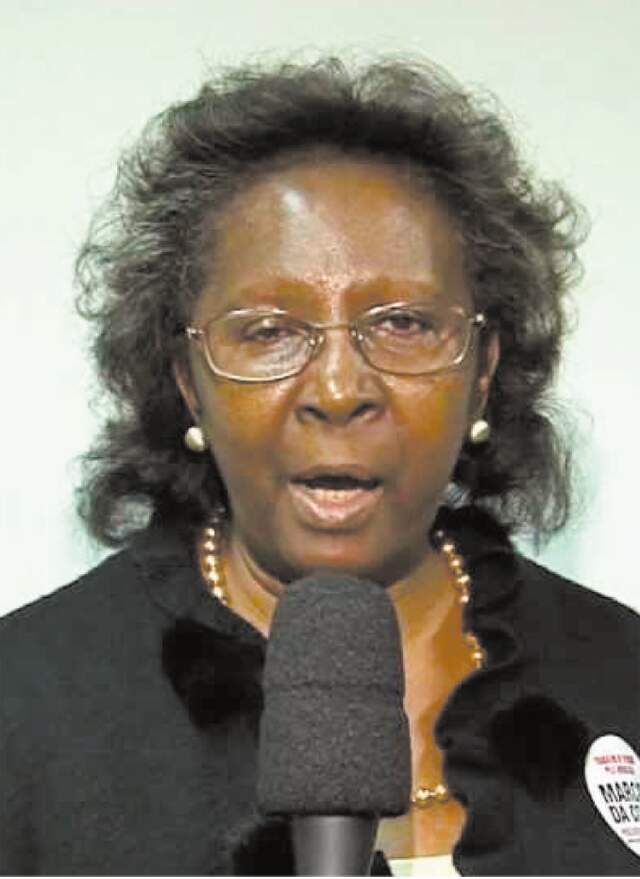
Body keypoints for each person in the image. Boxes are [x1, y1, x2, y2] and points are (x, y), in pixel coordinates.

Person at [1, 57, 638, 877]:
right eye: (269, 330)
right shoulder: (24, 705)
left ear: (482, 371)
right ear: (188, 382)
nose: (339, 390)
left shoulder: (621, 672)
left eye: (404, 323)